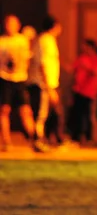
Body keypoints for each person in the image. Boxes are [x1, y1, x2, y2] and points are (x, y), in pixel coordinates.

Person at [0, 15, 46, 152]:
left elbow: (29, 57)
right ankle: (6, 142)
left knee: (26, 111)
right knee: (4, 110)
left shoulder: (23, 40)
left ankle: (35, 140)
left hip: (19, 79)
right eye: (8, 23)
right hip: (4, 79)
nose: (10, 26)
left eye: (13, 23)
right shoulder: (2, 41)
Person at [29, 16, 66, 147]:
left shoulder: (48, 40)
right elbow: (43, 64)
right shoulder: (46, 40)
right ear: (54, 26)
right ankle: (38, 140)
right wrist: (48, 87)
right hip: (42, 83)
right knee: (41, 113)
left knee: (52, 112)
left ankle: (52, 140)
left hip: (49, 83)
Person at [70, 39, 97, 144]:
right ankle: (76, 137)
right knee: (77, 114)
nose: (84, 49)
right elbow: (73, 69)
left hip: (89, 92)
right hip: (78, 90)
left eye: (86, 46)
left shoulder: (96, 60)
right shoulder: (81, 58)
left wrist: (87, 68)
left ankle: (90, 138)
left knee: (89, 115)